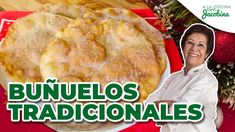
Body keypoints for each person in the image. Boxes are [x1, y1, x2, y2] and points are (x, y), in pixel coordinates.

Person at [145, 23, 218, 132]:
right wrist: (169, 104)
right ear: (183, 46)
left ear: (207, 52)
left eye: (201, 45)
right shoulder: (173, 77)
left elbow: (179, 111)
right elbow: (149, 104)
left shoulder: (206, 79)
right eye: (190, 43)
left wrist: (167, 107)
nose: (194, 48)